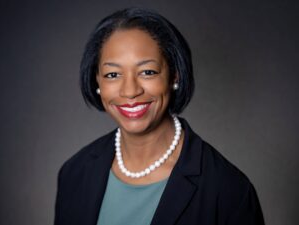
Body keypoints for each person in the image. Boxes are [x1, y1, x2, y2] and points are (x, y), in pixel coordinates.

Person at [54, 7, 265, 225]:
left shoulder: (229, 191)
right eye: (113, 74)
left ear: (174, 76)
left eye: (147, 72)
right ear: (97, 81)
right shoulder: (74, 173)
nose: (130, 91)